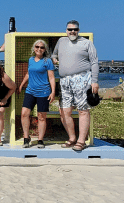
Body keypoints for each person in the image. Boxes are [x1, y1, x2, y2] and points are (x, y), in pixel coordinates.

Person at [52, 20, 99, 151]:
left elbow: (94, 62)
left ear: (78, 30)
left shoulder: (87, 43)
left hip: (82, 79)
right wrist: (54, 58)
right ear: (66, 30)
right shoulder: (61, 41)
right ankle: (72, 138)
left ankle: (81, 141)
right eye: (70, 29)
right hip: (64, 81)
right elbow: (54, 54)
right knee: (65, 111)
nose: (72, 32)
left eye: (75, 29)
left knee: (83, 110)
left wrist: (94, 81)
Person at [17, 40, 56, 148]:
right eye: (37, 47)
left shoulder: (47, 61)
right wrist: (21, 85)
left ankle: (40, 140)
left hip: (43, 92)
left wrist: (53, 92)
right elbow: (28, 73)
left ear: (45, 50)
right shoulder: (31, 60)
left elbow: (51, 77)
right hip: (30, 91)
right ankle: (26, 138)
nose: (39, 49)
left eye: (42, 47)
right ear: (34, 48)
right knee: (24, 113)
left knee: (41, 116)